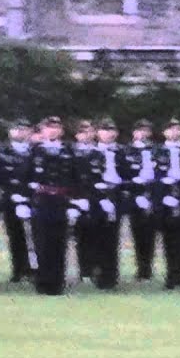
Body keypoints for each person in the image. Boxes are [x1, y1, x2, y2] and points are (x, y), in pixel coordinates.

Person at [29, 117, 77, 295]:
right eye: (49, 128)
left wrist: (76, 202)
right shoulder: (35, 151)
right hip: (41, 201)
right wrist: (24, 200)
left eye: (56, 127)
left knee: (59, 242)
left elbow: (75, 177)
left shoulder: (68, 151)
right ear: (42, 130)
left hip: (61, 201)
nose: (52, 131)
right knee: (42, 242)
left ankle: (57, 283)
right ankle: (42, 283)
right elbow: (25, 176)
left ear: (62, 131)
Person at [83, 118, 128, 290]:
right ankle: (98, 273)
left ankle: (110, 276)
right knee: (96, 238)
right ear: (97, 133)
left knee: (112, 238)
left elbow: (129, 176)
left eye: (111, 130)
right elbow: (84, 179)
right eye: (104, 130)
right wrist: (96, 194)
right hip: (96, 202)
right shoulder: (91, 154)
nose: (108, 133)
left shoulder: (122, 154)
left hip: (115, 200)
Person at [155, 118, 180, 290]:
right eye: (171, 129)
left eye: (178, 129)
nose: (175, 132)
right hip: (165, 203)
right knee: (168, 240)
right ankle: (170, 276)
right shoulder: (157, 151)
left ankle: (179, 276)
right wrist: (163, 190)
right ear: (164, 132)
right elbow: (151, 177)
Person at [0, 118, 35, 283]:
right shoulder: (2, 152)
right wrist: (11, 193)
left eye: (24, 129)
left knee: (34, 236)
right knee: (15, 236)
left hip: (32, 199)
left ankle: (34, 269)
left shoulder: (36, 151)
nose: (20, 132)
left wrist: (28, 195)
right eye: (16, 129)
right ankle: (18, 269)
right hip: (10, 199)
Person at [124, 119, 158, 281]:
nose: (143, 133)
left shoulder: (156, 151)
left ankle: (147, 269)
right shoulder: (127, 151)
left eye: (146, 130)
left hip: (151, 197)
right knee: (137, 234)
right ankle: (141, 269)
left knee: (150, 235)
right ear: (134, 132)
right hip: (134, 197)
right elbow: (122, 175)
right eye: (140, 130)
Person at [71, 119, 98, 282]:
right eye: (82, 131)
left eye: (89, 131)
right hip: (77, 199)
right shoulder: (71, 153)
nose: (86, 135)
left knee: (97, 236)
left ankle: (96, 269)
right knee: (80, 237)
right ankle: (84, 271)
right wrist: (72, 201)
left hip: (96, 200)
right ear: (76, 135)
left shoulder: (99, 152)